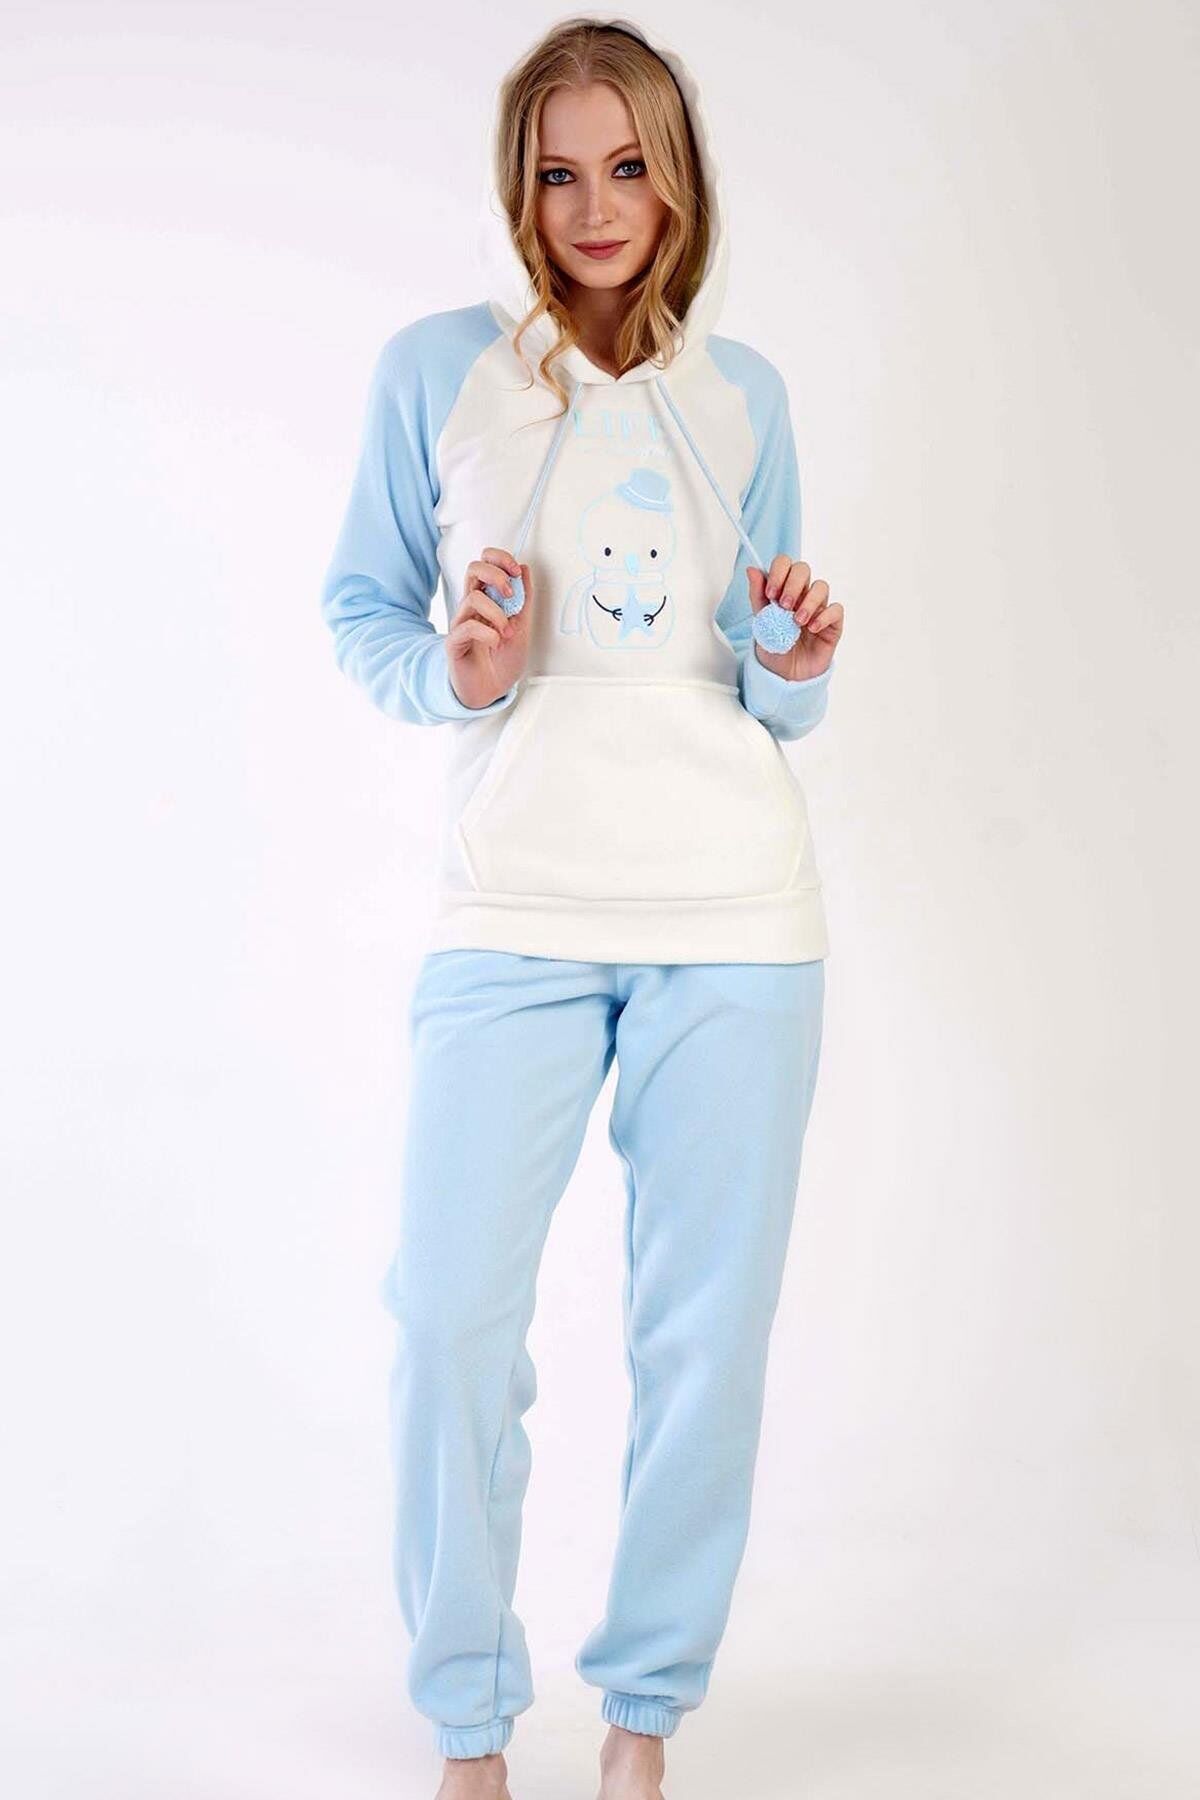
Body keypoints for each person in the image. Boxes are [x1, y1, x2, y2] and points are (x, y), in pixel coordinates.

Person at [320, 15, 845, 1799]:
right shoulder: (438, 372)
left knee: (701, 1342)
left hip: (736, 920)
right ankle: (471, 1726)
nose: (596, 206)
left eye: (629, 166)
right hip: (512, 914)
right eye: (559, 171)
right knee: (449, 1319)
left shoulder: (743, 394)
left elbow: (772, 679)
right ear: (518, 186)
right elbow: (363, 610)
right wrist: (458, 673)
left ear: (676, 181)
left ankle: (643, 1722)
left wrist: (794, 659)